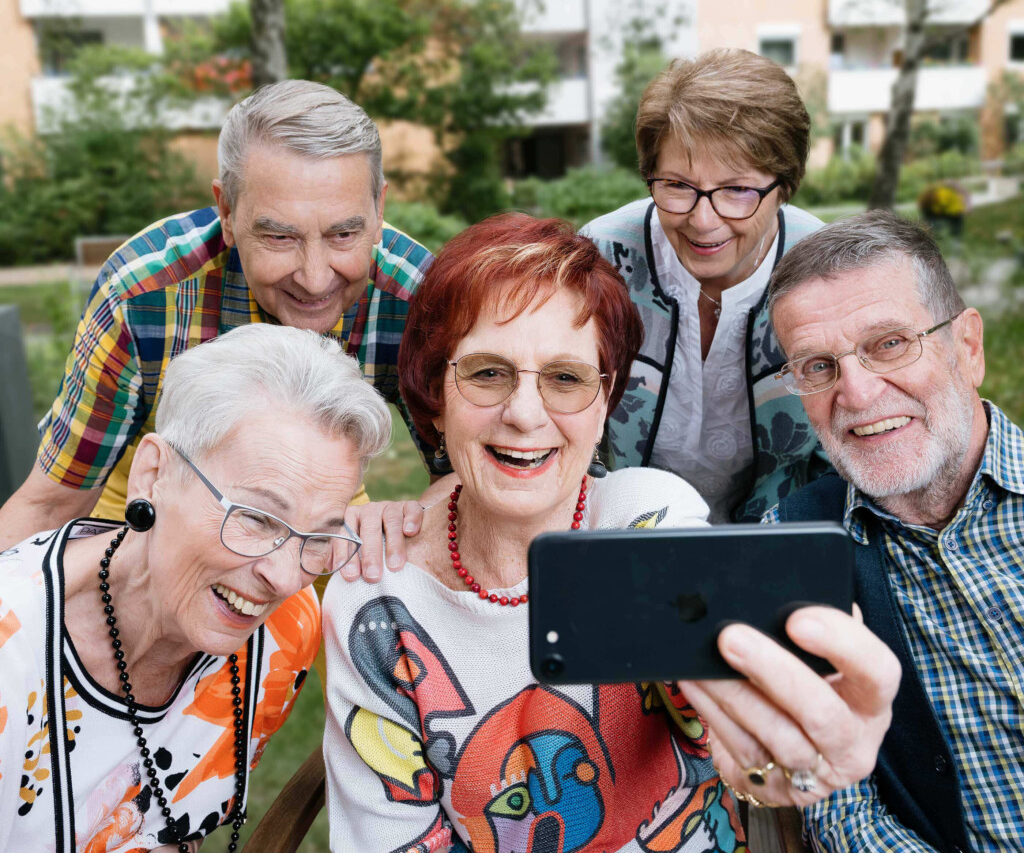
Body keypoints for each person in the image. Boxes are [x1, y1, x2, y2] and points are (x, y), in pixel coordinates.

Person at [321, 214, 901, 852]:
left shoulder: (648, 521)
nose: (523, 414)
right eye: (487, 373)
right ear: (435, 395)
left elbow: (728, 720)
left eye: (566, 379)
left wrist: (772, 749)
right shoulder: (373, 598)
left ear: (605, 404)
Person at [0, 80, 434, 573]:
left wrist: (405, 523)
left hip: (315, 509)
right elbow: (54, 503)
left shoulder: (417, 297)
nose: (315, 279)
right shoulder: (143, 294)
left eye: (344, 234)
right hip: (148, 501)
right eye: (279, 236)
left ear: (379, 209)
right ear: (227, 211)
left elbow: (471, 483)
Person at [0, 322, 392, 853]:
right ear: (153, 474)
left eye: (318, 537)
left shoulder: (284, 632)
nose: (284, 576)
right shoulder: (12, 653)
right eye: (256, 518)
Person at [763, 209, 1023, 852]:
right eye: (818, 366)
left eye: (888, 344)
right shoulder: (792, 549)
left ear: (967, 347)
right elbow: (840, 811)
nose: (855, 392)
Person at [583, 49, 827, 523]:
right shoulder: (600, 257)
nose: (702, 220)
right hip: (621, 529)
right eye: (677, 184)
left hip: (784, 533)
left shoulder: (824, 270)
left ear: (785, 186)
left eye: (737, 190)